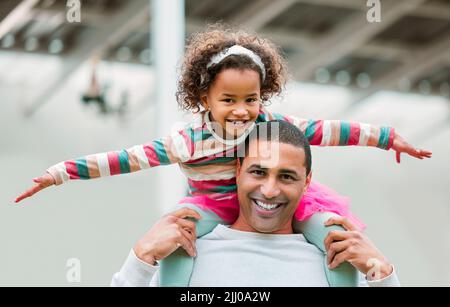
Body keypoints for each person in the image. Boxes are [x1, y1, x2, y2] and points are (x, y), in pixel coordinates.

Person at [15, 25, 429, 286]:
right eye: (227, 99)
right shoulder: (188, 142)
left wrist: (389, 138)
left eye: (250, 99)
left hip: (303, 213)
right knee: (180, 238)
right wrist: (59, 173)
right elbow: (124, 159)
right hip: (211, 205)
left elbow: (337, 131)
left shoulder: (273, 126)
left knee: (337, 237)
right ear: (203, 98)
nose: (241, 110)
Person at [111, 121, 400, 287]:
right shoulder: (185, 253)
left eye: (286, 176)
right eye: (258, 172)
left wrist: (385, 276)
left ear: (307, 181)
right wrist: (140, 257)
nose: (270, 190)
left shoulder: (337, 263)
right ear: (238, 170)